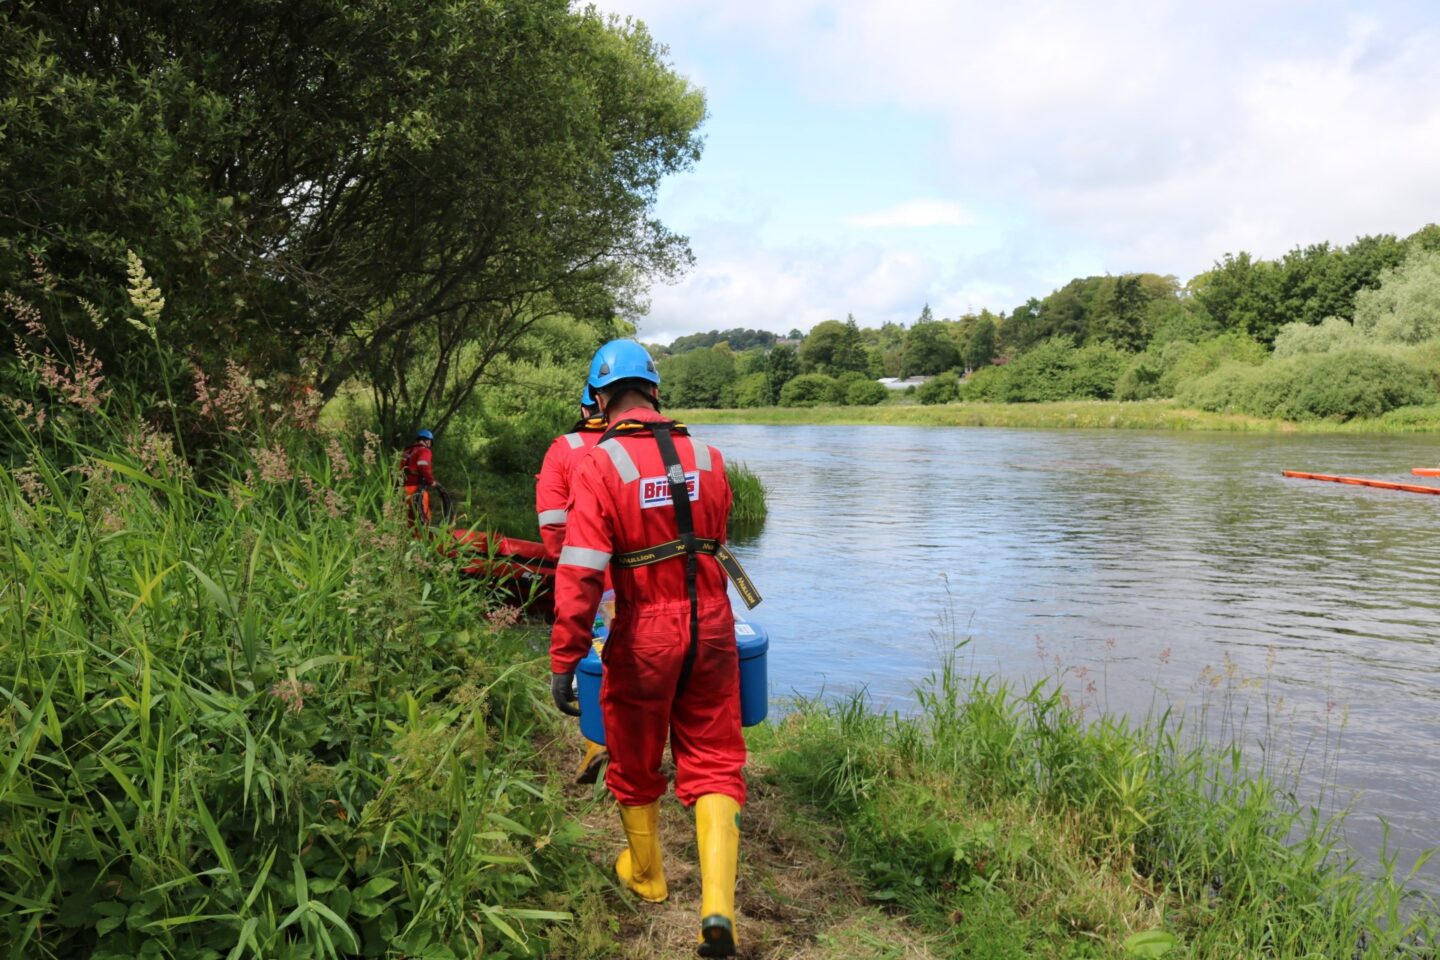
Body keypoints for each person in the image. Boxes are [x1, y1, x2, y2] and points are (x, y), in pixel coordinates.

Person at [549, 340, 746, 957]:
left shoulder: (597, 464)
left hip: (644, 633)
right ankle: (717, 913)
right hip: (714, 626)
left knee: (635, 760)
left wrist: (564, 657)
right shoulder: (711, 457)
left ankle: (648, 875)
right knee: (715, 761)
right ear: (655, 391)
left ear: (602, 399)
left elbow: (581, 571)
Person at [535, 383, 610, 783]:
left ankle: (599, 743)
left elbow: (552, 525)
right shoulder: (651, 444)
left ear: (588, 407)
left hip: (592, 573)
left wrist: (571, 562)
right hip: (655, 580)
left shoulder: (564, 448)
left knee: (595, 657)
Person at [401, 429, 439, 524]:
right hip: (416, 490)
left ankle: (411, 538)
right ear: (427, 440)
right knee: (424, 520)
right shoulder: (424, 450)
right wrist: (431, 481)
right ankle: (425, 538)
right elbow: (423, 465)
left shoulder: (407, 452)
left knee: (408, 520)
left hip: (403, 490)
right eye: (430, 442)